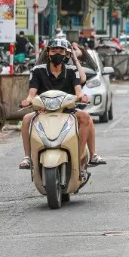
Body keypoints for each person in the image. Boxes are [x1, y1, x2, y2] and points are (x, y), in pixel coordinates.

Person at [18, 38, 106, 170]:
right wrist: (28, 101)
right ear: (48, 53)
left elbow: (79, 91)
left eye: (61, 51)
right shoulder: (37, 70)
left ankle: (85, 153)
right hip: (44, 111)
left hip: (67, 111)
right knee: (26, 119)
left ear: (66, 54)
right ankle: (27, 157)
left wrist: (82, 97)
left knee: (86, 118)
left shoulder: (72, 70)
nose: (57, 54)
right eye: (53, 50)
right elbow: (32, 94)